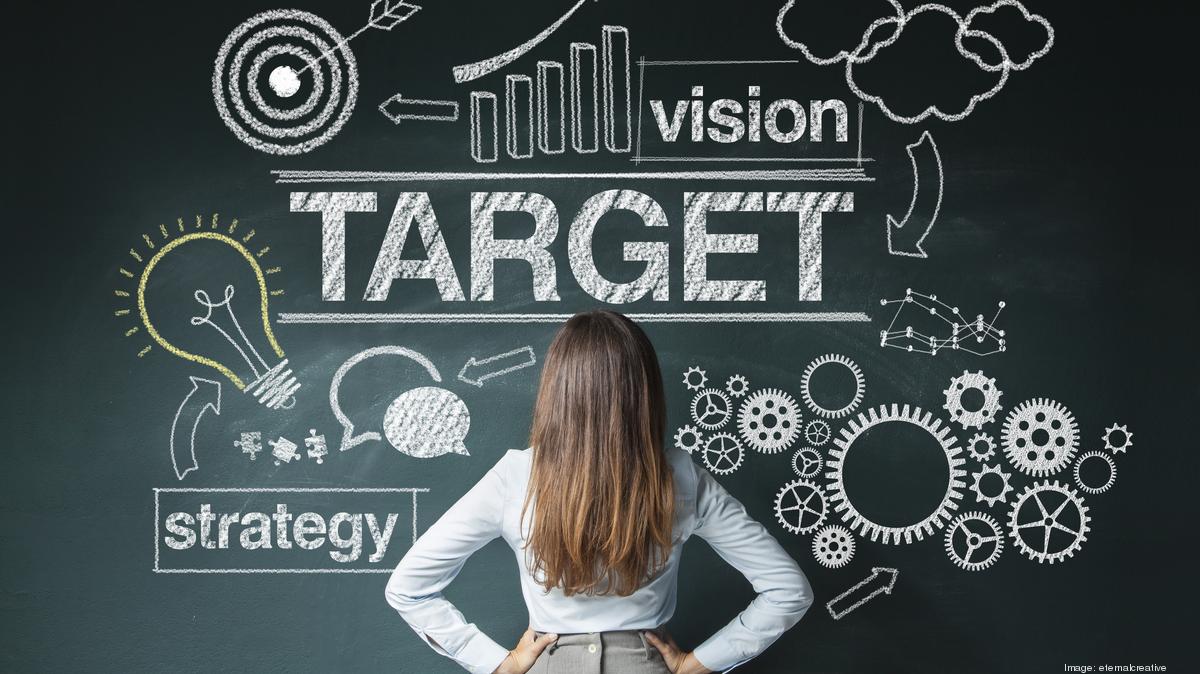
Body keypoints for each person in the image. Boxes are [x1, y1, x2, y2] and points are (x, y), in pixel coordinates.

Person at [385, 310, 813, 674]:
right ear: (644, 392)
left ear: (557, 390)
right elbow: (789, 590)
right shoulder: (681, 476)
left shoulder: (515, 476)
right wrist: (702, 662)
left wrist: (500, 663)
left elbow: (407, 587)